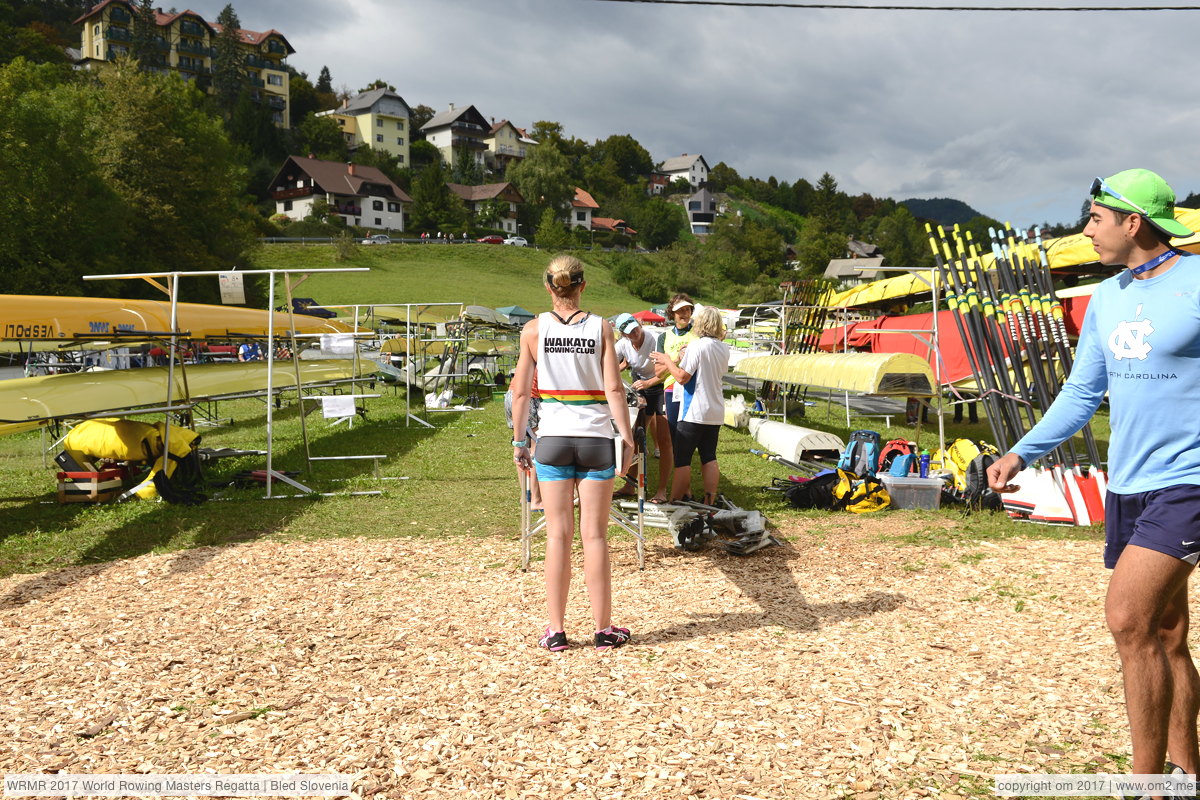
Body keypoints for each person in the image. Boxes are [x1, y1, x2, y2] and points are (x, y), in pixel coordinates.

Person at [987, 169, 1200, 791]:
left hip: (1190, 478)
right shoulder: (1107, 297)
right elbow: (1083, 391)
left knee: (1128, 619)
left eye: (1096, 219)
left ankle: (1145, 782)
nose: (1086, 230)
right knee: (1166, 632)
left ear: (1135, 223)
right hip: (1129, 482)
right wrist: (1022, 453)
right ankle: (1189, 770)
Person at [510, 254, 636, 652]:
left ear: (549, 287)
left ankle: (557, 631)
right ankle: (603, 630)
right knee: (595, 537)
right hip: (596, 439)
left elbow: (520, 392)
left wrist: (518, 441)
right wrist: (627, 439)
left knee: (557, 537)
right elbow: (615, 390)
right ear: (582, 285)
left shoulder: (532, 330)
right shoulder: (602, 328)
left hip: (553, 440)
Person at [651, 306, 730, 506]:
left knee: (683, 459)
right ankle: (709, 500)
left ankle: (675, 501)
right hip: (715, 409)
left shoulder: (697, 345)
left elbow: (682, 377)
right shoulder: (723, 347)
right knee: (709, 456)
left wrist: (668, 360)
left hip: (694, 410)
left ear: (701, 323)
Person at [613, 312, 673, 503]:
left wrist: (649, 384)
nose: (635, 334)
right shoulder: (622, 344)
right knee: (635, 436)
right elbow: (607, 363)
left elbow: (666, 369)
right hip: (639, 386)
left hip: (660, 385)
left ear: (639, 325)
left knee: (664, 439)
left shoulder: (654, 339)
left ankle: (662, 490)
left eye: (636, 329)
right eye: (630, 333)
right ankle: (631, 485)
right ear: (623, 334)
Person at [659, 294, 698, 443]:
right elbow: (658, 372)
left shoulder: (698, 334)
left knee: (692, 435)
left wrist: (668, 361)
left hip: (693, 388)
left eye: (687, 309)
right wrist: (675, 359)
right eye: (680, 310)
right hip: (671, 389)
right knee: (675, 435)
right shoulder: (664, 337)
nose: (684, 313)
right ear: (672, 314)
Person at [504, 368, 542, 511]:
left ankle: (525, 495)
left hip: (511, 395)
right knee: (538, 448)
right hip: (529, 397)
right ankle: (536, 500)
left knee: (521, 445)